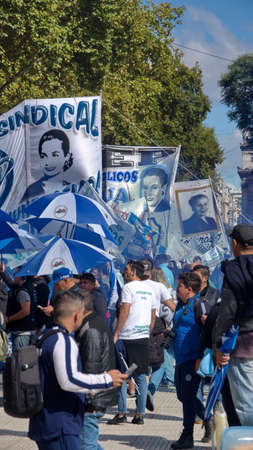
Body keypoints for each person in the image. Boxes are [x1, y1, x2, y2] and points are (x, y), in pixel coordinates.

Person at [28, 289, 127, 449]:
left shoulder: (45, 336)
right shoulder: (63, 341)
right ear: (76, 315)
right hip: (60, 424)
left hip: (47, 420)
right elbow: (69, 380)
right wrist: (106, 379)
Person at [108, 260, 156, 425]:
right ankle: (139, 415)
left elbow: (125, 310)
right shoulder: (149, 289)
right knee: (141, 376)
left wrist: (116, 333)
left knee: (122, 375)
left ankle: (122, 413)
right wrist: (147, 332)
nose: (123, 272)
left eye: (126, 270)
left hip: (127, 336)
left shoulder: (128, 288)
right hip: (142, 337)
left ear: (134, 272)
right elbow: (153, 314)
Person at [215, 224, 253, 426]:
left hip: (244, 345)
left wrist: (219, 345)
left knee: (246, 403)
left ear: (235, 243)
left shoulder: (234, 269)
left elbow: (227, 311)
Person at [76, 289, 117, 450]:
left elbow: (91, 366)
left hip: (93, 398)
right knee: (87, 442)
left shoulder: (91, 328)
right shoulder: (92, 323)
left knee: (87, 444)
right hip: (95, 395)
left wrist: (88, 400)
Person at [171, 272, 205, 450]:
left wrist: (200, 357)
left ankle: (187, 436)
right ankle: (209, 420)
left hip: (193, 359)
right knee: (183, 396)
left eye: (179, 287)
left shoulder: (199, 304)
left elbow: (207, 331)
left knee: (189, 397)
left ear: (189, 289)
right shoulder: (181, 304)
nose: (177, 290)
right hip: (181, 359)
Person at [21, 129, 73, 202]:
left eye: (55, 155)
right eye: (44, 156)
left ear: (67, 156)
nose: (48, 162)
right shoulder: (33, 190)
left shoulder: (74, 184)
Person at [139, 167, 170, 254]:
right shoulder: (140, 212)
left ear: (163, 188)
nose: (148, 193)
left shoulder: (168, 213)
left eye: (154, 188)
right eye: (145, 187)